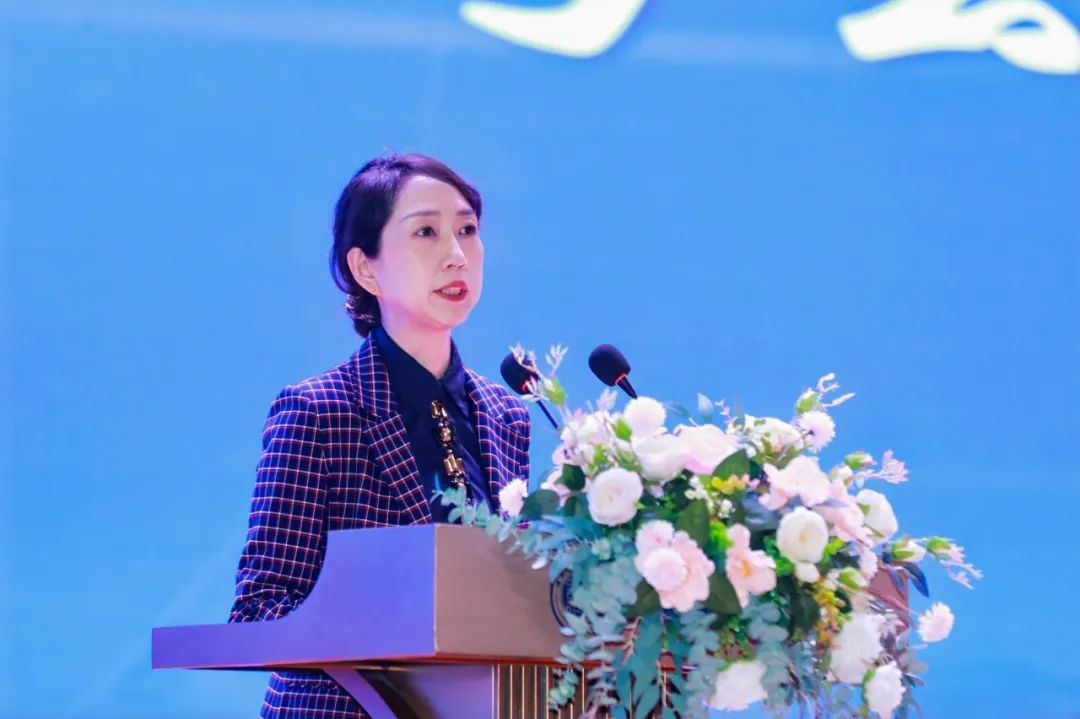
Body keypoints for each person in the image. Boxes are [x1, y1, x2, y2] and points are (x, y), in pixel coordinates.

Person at [227, 153, 531, 718]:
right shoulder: (319, 411)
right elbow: (260, 606)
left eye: (467, 230)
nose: (456, 254)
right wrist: (391, 629)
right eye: (426, 232)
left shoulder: (506, 415)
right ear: (366, 269)